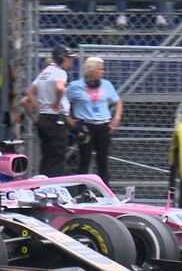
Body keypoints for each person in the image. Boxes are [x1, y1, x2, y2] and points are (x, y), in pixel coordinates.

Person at [65, 56, 122, 184]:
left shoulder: (106, 85)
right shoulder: (75, 86)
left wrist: (116, 118)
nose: (103, 72)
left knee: (103, 161)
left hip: (103, 125)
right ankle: (82, 191)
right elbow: (63, 104)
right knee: (84, 160)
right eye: (100, 69)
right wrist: (70, 120)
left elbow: (117, 102)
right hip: (86, 126)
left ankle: (105, 192)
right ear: (90, 70)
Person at [24, 44, 76, 176]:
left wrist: (39, 107)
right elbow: (59, 87)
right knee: (57, 157)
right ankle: (55, 187)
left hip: (44, 117)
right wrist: (56, 102)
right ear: (62, 58)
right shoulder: (60, 72)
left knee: (46, 156)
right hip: (55, 119)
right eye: (69, 58)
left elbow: (29, 92)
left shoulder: (44, 73)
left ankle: (43, 183)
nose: (70, 61)